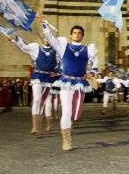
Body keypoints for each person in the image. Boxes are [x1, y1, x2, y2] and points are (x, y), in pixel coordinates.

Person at [38, 15, 99, 151]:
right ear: (71, 35)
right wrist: (44, 24)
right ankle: (66, 140)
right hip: (66, 82)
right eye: (75, 32)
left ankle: (69, 125)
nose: (77, 34)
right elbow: (50, 38)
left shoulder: (88, 49)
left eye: (79, 33)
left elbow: (96, 61)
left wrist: (93, 72)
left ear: (82, 36)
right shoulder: (63, 47)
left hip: (80, 83)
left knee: (75, 113)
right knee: (66, 111)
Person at [10, 35, 59, 134]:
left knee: (48, 102)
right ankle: (35, 126)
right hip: (37, 77)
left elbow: (62, 63)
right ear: (43, 39)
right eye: (45, 38)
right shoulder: (36, 48)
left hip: (49, 79)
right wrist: (15, 39)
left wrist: (58, 72)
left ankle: (49, 124)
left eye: (49, 38)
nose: (47, 40)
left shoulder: (57, 51)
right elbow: (24, 47)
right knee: (36, 100)